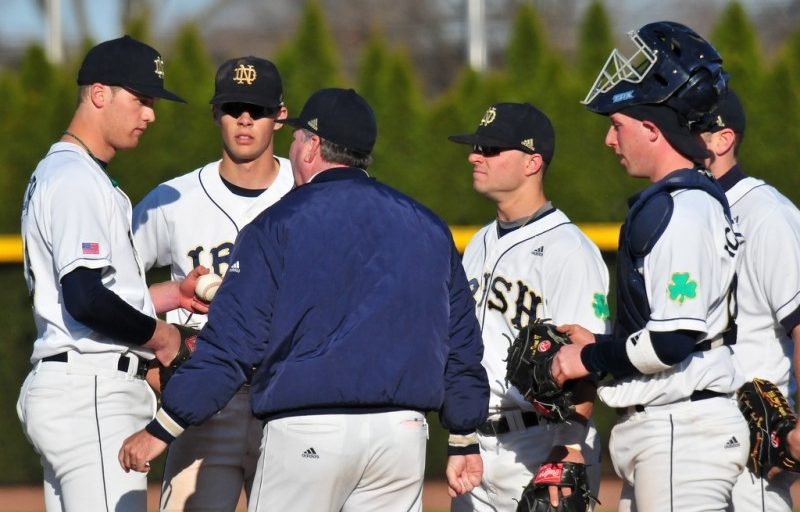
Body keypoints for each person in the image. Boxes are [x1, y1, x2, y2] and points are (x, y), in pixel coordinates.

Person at [119, 87, 490, 511]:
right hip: (401, 435)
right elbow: (460, 342)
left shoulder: (275, 225)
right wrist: (463, 437)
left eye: (296, 138)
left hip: (308, 433)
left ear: (312, 146)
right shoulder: (427, 226)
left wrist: (162, 429)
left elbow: (231, 347)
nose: (291, 147)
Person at [552, 22, 750, 511]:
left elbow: (674, 338)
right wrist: (600, 344)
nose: (609, 140)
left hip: (682, 432)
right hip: (669, 431)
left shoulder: (684, 207)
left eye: (617, 125)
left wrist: (590, 360)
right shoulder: (682, 201)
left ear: (652, 128)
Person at [15, 36, 189, 512]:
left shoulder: (72, 174)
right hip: (92, 392)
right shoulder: (74, 178)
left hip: (77, 387)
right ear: (98, 94)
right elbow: (86, 299)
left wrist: (173, 294)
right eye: (141, 100)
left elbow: (103, 296)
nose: (150, 115)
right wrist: (163, 338)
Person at [131, 55, 294, 511]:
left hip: (283, 400)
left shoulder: (306, 196)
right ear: (215, 113)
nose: (245, 119)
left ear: (280, 116)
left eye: (257, 109)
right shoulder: (171, 199)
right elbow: (113, 292)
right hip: (198, 403)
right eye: (233, 107)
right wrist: (147, 358)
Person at [447, 102, 610, 511]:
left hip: (541, 444)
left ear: (532, 162)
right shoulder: (478, 243)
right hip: (475, 448)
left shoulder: (569, 251)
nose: (474, 156)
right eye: (476, 147)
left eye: (490, 149)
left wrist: (568, 446)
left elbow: (585, 359)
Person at [700, 89, 800, 511]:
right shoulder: (681, 210)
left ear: (723, 140)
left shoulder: (767, 214)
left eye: (687, 127)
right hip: (688, 436)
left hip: (752, 442)